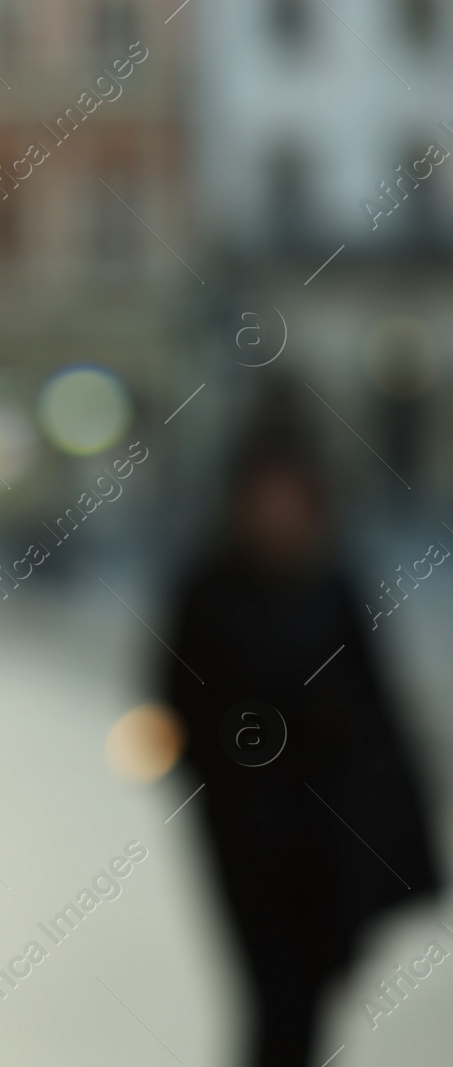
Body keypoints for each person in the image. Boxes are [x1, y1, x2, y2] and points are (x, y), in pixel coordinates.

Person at [162, 385, 439, 1067]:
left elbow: (379, 714)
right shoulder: (208, 588)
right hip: (244, 836)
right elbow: (175, 702)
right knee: (270, 996)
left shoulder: (334, 584)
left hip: (331, 844)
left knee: (313, 998)